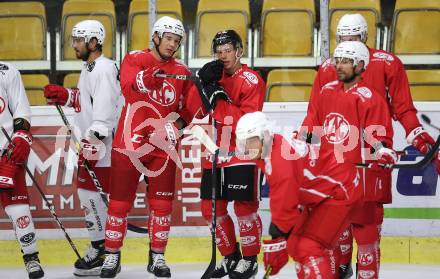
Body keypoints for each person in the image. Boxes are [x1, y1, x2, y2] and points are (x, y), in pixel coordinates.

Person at [301, 14, 440, 278]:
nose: (348, 43)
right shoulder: (328, 70)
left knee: (366, 228)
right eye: (343, 38)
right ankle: (341, 267)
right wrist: (304, 148)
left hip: (370, 157)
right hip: (337, 158)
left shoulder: (388, 64)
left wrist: (420, 139)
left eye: (353, 37)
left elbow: (403, 109)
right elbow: (314, 117)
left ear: (365, 37)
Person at [100, 16, 202, 278]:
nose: (172, 44)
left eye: (177, 41)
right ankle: (112, 255)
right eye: (168, 38)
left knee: (162, 206)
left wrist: (176, 126)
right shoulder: (134, 58)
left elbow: (190, 109)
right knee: (119, 204)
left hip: (163, 146)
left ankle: (157, 257)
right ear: (155, 37)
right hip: (129, 142)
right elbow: (129, 89)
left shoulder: (181, 71)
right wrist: (149, 77)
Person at [235, 111, 362, 279]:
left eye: (251, 141)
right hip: (322, 195)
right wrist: (279, 239)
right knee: (295, 244)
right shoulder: (271, 148)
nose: (247, 147)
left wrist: (277, 238)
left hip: (341, 192)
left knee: (308, 246)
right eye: (243, 142)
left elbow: (285, 200)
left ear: (265, 136)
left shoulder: (280, 160)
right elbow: (284, 197)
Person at [43, 20, 121, 276]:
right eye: (74, 39)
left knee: (98, 200)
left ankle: (108, 252)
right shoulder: (89, 68)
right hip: (94, 144)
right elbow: (85, 101)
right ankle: (101, 247)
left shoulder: (104, 68)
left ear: (93, 42)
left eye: (79, 39)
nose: (74, 44)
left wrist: (93, 141)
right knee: (90, 197)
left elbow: (106, 111)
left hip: (104, 147)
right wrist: (66, 95)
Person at [197, 30, 266, 279]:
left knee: (245, 209)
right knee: (210, 209)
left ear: (239, 51)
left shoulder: (251, 79)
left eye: (228, 50)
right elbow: (198, 112)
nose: (223, 55)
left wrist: (216, 97)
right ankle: (230, 257)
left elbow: (245, 121)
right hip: (216, 149)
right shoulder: (214, 77)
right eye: (219, 51)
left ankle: (250, 260)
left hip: (244, 148)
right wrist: (201, 84)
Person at [0, 62, 44, 279]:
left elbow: (20, 107)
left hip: (6, 151)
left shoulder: (7, 71)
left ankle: (31, 257)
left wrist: (20, 138)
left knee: (18, 209)